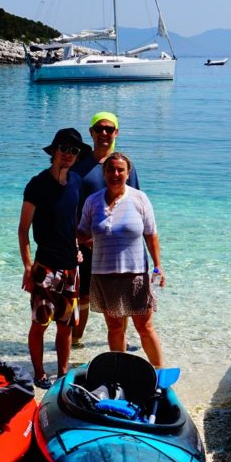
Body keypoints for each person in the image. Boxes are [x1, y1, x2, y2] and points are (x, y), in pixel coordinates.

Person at [77, 151, 165, 367]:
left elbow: (151, 234)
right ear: (104, 173)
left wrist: (158, 266)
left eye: (120, 170)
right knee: (115, 328)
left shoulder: (139, 198)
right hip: (104, 275)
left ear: (128, 173)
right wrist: (74, 239)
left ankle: (160, 372)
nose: (115, 174)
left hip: (135, 273)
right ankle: (122, 372)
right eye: (110, 170)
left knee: (145, 328)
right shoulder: (93, 201)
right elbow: (82, 231)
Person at [17, 127, 88, 389]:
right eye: (64, 148)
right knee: (40, 323)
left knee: (65, 325)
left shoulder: (77, 182)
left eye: (74, 151)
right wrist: (27, 266)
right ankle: (39, 374)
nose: (68, 154)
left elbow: (72, 221)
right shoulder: (37, 184)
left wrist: (77, 245)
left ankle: (62, 373)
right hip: (44, 267)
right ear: (54, 151)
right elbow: (23, 229)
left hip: (71, 268)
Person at [71, 111, 139, 346]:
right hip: (85, 244)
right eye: (99, 129)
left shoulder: (123, 166)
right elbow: (70, 205)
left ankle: (121, 340)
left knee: (120, 297)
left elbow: (135, 204)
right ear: (91, 132)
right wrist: (75, 239)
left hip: (117, 246)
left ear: (116, 132)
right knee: (83, 297)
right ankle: (76, 341)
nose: (103, 133)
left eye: (109, 129)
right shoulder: (79, 166)